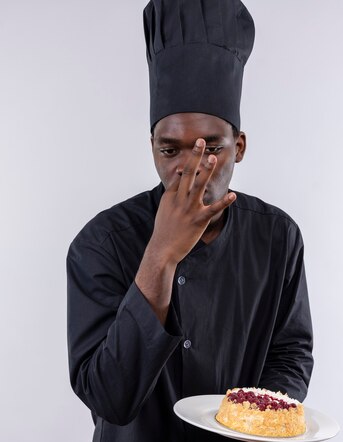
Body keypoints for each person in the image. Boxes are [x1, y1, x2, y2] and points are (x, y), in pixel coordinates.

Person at [66, 1, 314, 441]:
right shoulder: (100, 243)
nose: (191, 168)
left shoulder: (278, 237)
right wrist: (160, 254)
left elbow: (290, 351)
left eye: (210, 147)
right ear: (152, 146)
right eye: (170, 150)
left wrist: (255, 424)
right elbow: (107, 398)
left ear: (238, 145)